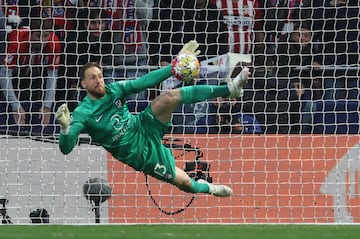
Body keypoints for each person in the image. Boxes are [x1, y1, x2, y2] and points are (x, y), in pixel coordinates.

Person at [56, 40, 250, 197]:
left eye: (100, 76)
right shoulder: (82, 112)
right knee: (184, 182)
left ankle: (230, 89)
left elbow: (143, 82)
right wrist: (65, 129)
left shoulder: (113, 90)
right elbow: (66, 148)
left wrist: (174, 65)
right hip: (139, 153)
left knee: (170, 96)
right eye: (93, 78)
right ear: (83, 84)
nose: (99, 80)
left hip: (142, 125)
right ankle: (209, 188)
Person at [0, 18, 61, 126]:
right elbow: (4, 75)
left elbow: (52, 76)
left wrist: (47, 106)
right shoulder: (17, 41)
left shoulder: (54, 44)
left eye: (46, 36)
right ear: (30, 34)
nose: (42, 41)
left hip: (36, 75)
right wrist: (15, 105)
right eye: (38, 36)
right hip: (15, 73)